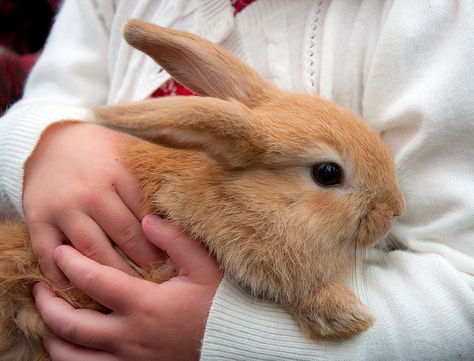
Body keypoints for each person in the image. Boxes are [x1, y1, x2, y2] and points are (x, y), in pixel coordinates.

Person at [1, 0, 473, 360]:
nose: (394, 208)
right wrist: (46, 143)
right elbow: (53, 93)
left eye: (328, 174)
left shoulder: (429, 20)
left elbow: (461, 282)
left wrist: (233, 333)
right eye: (329, 174)